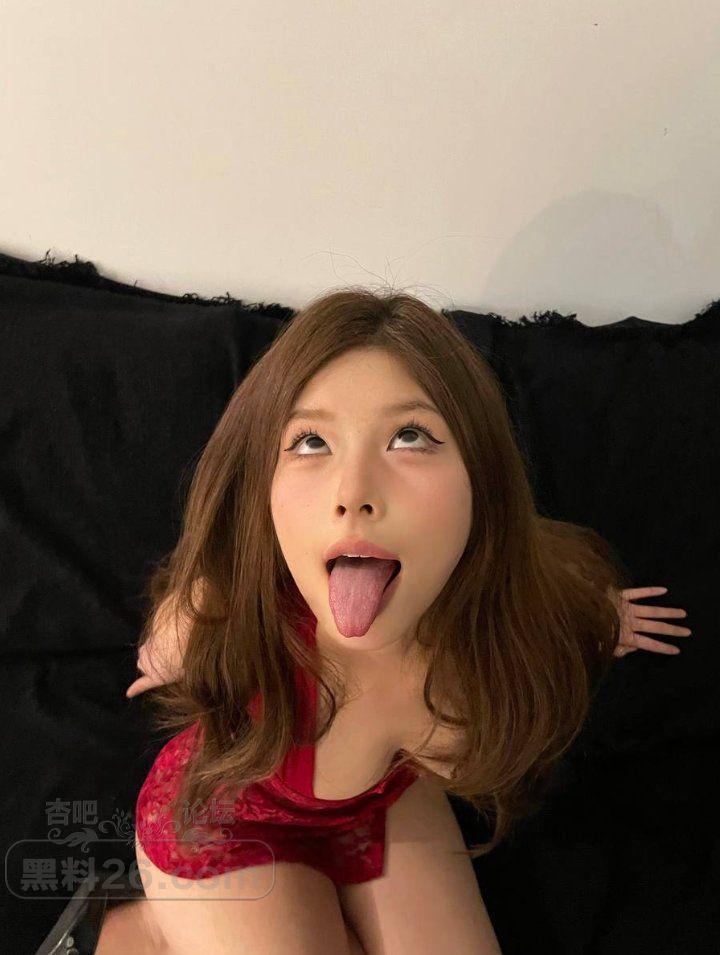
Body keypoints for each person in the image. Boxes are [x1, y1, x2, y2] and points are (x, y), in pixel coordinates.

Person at [72, 289, 696, 954]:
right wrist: (172, 647)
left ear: (481, 477)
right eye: (311, 441)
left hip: (377, 808)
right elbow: (178, 630)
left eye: (409, 436)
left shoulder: (513, 612)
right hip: (226, 822)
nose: (354, 493)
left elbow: (561, 590)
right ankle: (136, 931)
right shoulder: (240, 614)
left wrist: (602, 615)